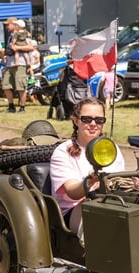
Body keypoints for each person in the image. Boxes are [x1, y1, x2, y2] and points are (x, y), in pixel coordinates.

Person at [50, 97, 126, 247]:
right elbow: (72, 191)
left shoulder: (112, 149)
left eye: (99, 120)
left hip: (109, 204)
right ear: (75, 121)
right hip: (74, 210)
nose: (93, 124)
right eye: (86, 119)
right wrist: (89, 181)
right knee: (97, 219)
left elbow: (121, 183)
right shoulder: (63, 151)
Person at [2, 18, 36, 113]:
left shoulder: (23, 34)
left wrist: (18, 47)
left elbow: (31, 47)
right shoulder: (11, 36)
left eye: (8, 24)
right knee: (6, 85)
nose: (6, 27)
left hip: (20, 64)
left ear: (14, 24)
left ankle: (22, 107)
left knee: (21, 87)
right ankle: (11, 106)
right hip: (10, 64)